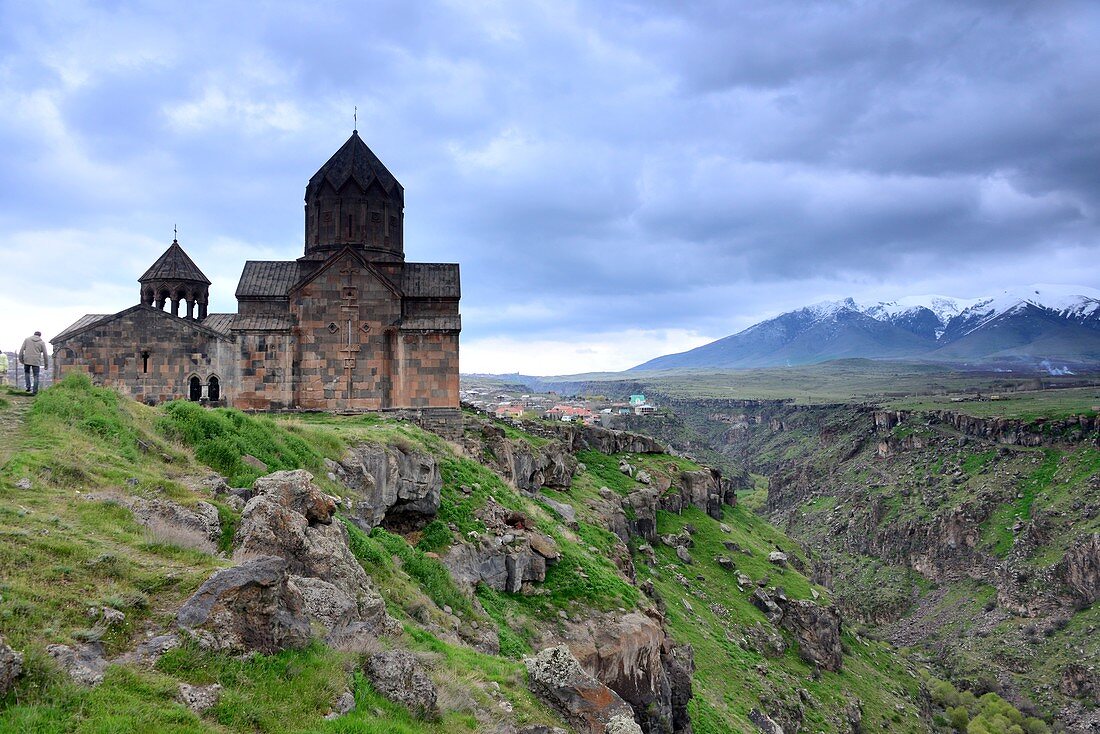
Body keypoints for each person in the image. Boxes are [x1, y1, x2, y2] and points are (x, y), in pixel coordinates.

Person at [19, 331, 48, 395]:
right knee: (36, 376)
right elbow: (45, 354)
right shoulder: (42, 342)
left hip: (27, 360)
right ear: (40, 336)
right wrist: (46, 364)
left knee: (27, 373)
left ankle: (28, 387)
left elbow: (21, 350)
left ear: (34, 334)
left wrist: (21, 359)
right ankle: (35, 391)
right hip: (36, 361)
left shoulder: (27, 340)